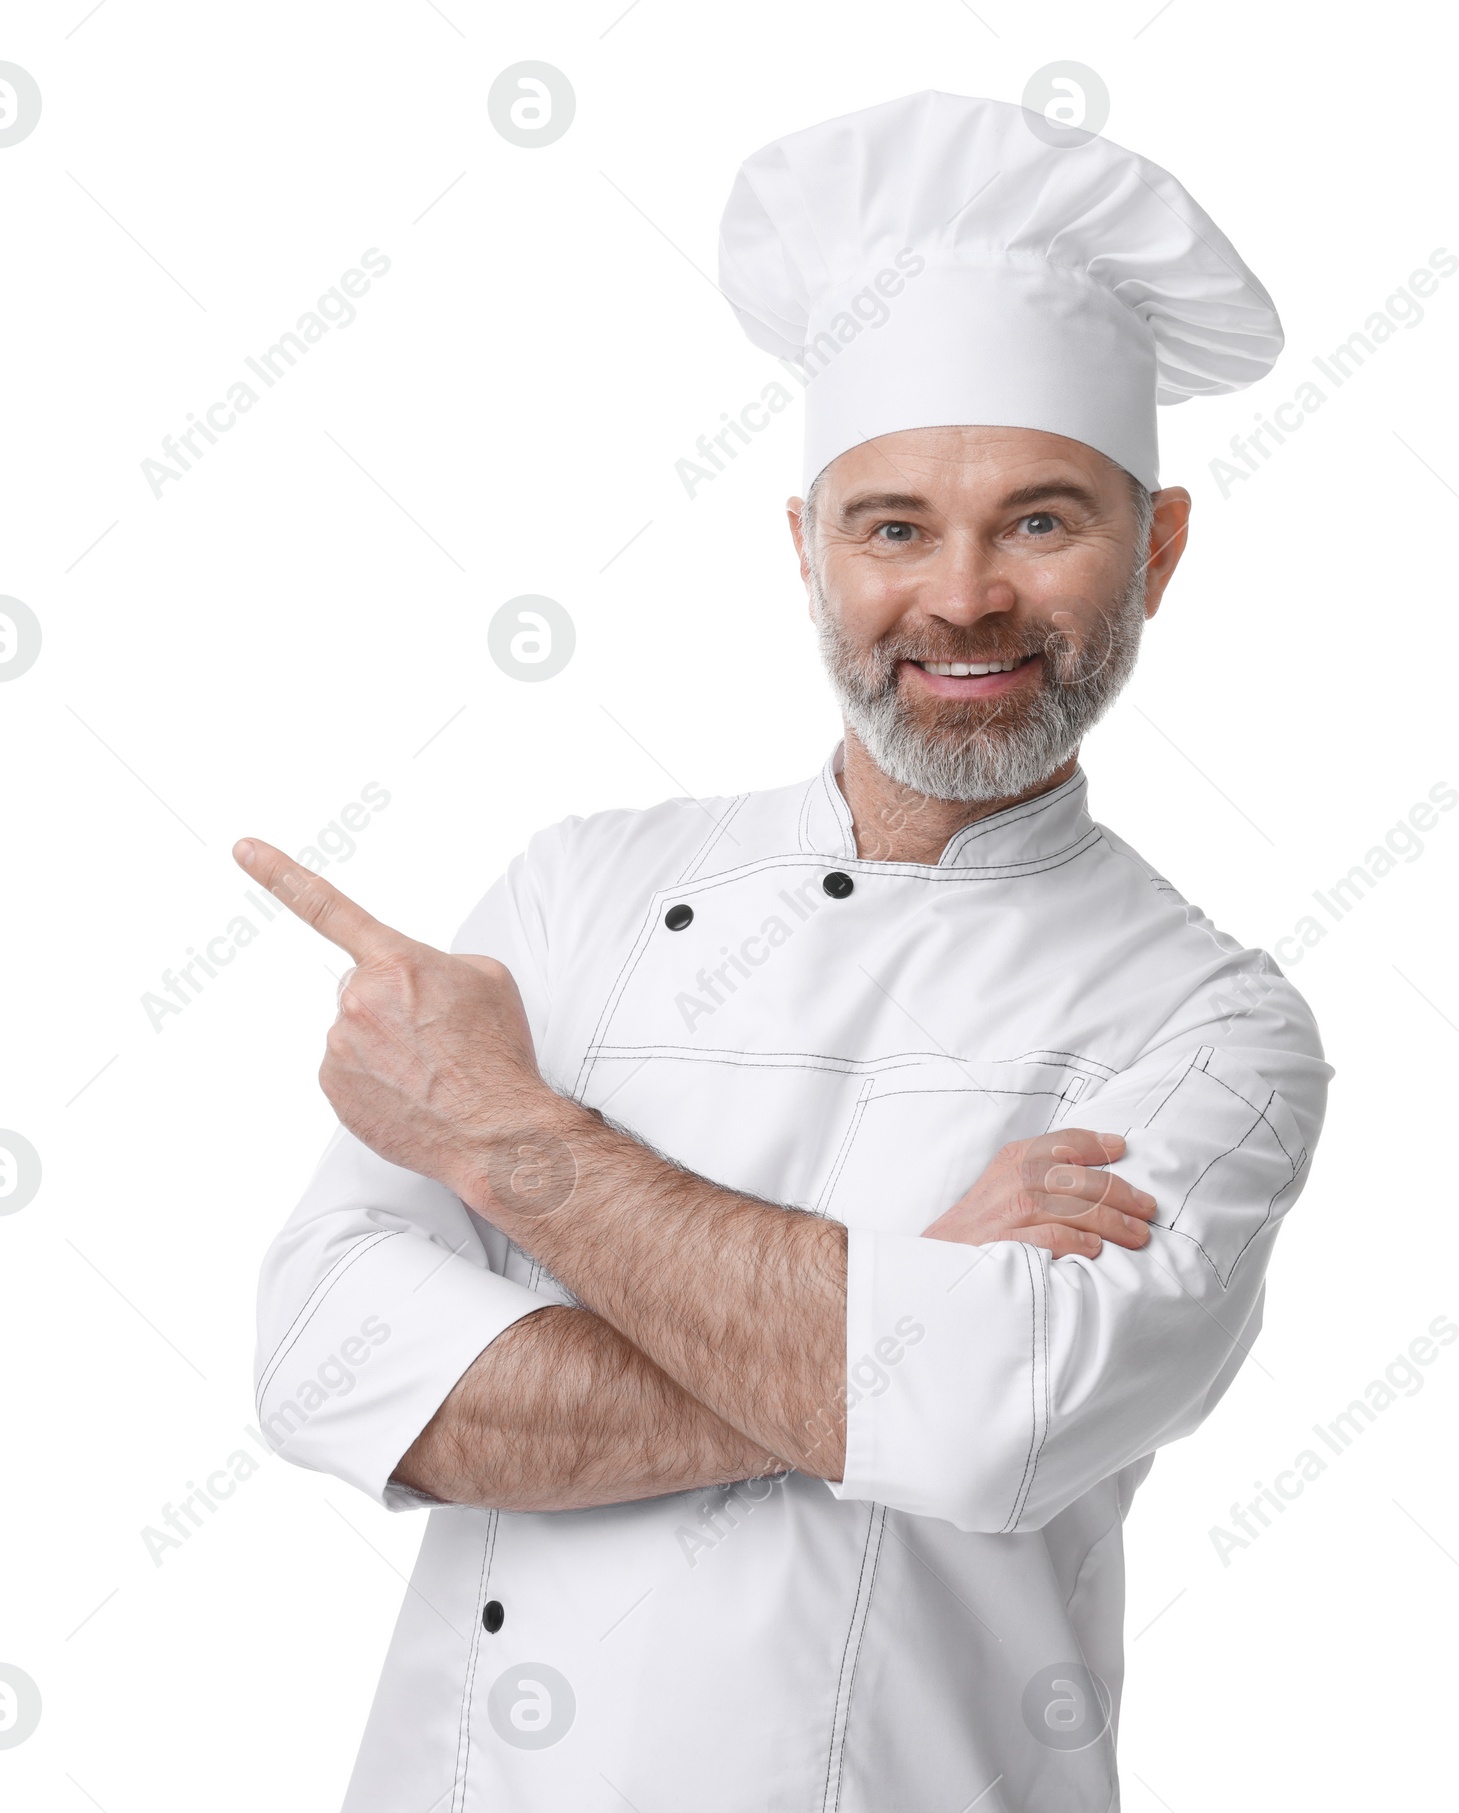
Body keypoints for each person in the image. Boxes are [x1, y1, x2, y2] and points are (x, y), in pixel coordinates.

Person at [242, 90, 1330, 1812]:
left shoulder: (1212, 1025)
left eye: (1040, 521)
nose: (961, 599)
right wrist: (888, 1307)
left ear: (1161, 544)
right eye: (892, 525)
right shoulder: (577, 892)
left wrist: (501, 1139)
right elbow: (328, 1361)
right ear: (807, 551)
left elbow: (997, 1423)